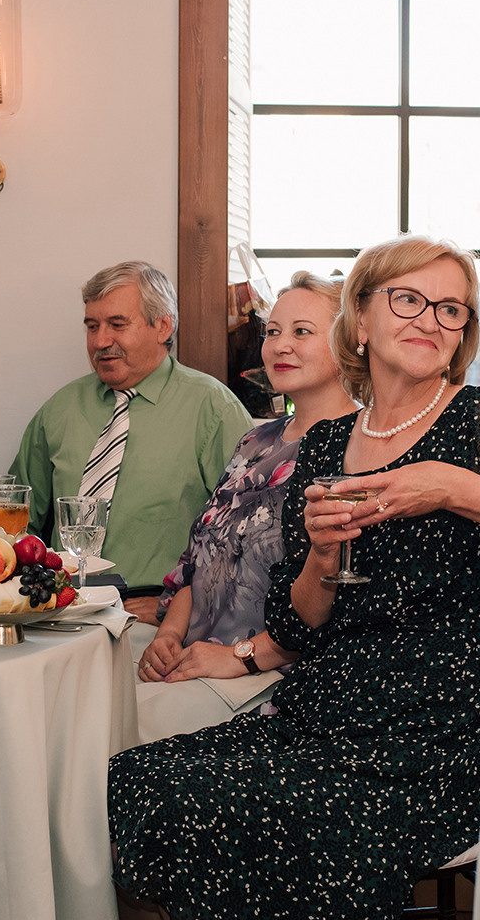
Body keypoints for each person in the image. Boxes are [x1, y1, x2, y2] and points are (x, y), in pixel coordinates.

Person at [108, 235, 480, 920]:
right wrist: (324, 554)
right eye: (408, 299)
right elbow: (301, 622)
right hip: (328, 705)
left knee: (264, 815)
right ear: (361, 318)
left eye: (451, 308)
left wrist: (453, 487)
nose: (431, 320)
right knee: (141, 781)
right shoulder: (331, 444)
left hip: (433, 725)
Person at [133, 273, 355, 743]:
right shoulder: (257, 440)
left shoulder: (357, 453)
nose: (279, 346)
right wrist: (168, 636)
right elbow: (202, 557)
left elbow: (340, 606)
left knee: (117, 728)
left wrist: (238, 657)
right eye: (273, 331)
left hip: (274, 680)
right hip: (199, 654)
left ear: (349, 343)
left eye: (302, 331)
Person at [9, 261, 253, 611]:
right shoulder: (61, 409)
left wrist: (181, 606)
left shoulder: (213, 410)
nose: (100, 341)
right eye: (92, 326)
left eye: (117, 325)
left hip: (161, 615)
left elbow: (247, 536)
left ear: (163, 325)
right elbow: (15, 516)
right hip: (59, 606)